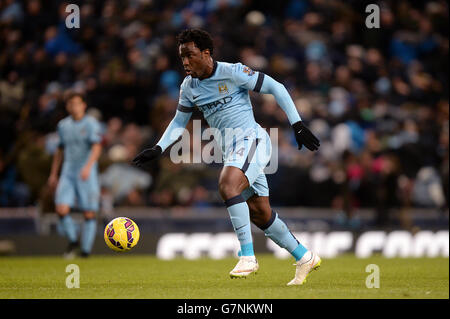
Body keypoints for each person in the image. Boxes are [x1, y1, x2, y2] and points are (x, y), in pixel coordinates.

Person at [133, 29, 321, 285]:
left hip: (253, 142)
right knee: (260, 214)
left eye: (190, 55)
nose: (185, 62)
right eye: (182, 57)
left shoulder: (233, 72)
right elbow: (179, 122)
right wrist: (158, 148)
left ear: (206, 53)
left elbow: (276, 87)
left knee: (227, 184)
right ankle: (304, 256)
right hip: (233, 152)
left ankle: (247, 256)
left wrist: (297, 124)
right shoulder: (189, 87)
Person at [48, 92, 102, 258]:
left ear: (83, 105)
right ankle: (73, 241)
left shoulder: (91, 124)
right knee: (61, 208)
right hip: (68, 170)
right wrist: (53, 173)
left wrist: (88, 167)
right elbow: (59, 150)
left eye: (77, 103)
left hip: (86, 171)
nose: (74, 107)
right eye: (71, 104)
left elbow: (97, 147)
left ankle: (85, 251)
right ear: (67, 107)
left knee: (89, 212)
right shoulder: (63, 125)